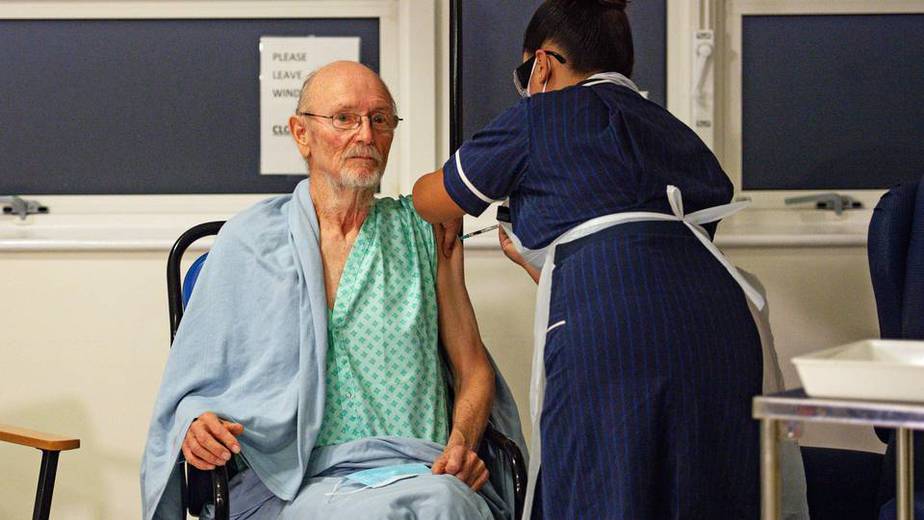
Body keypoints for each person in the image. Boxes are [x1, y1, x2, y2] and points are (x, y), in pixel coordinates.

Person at [412, 1, 765, 518]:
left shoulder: (540, 116)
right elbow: (648, 256)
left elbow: (432, 198)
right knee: (701, 486)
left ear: (541, 66)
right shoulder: (673, 131)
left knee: (601, 483)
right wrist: (543, 263)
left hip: (614, 340)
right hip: (721, 327)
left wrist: (441, 206)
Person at [141, 61, 525, 520]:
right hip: (288, 481)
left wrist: (461, 443)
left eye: (380, 119)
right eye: (344, 118)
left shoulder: (425, 231)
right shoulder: (248, 241)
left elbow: (473, 368)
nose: (365, 134)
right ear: (301, 134)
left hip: (416, 470)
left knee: (444, 503)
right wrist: (194, 423)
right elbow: (193, 385)